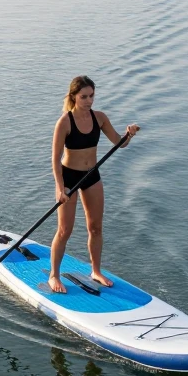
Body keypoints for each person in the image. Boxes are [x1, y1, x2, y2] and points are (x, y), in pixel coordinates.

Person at [50, 75, 139, 293]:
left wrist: (129, 134)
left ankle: (96, 271)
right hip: (69, 177)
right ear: (73, 97)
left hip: (92, 175)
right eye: (84, 97)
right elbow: (55, 158)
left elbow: (120, 143)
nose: (89, 101)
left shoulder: (99, 118)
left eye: (91, 96)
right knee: (64, 230)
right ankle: (54, 275)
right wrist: (61, 189)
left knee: (96, 228)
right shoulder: (64, 122)